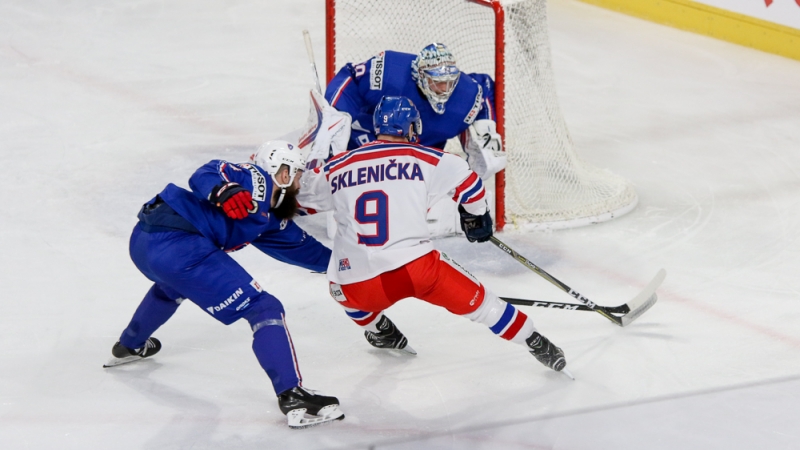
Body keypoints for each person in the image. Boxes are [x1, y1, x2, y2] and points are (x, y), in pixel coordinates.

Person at [298, 96, 567, 376]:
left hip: (354, 285)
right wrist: (476, 216)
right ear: (410, 128)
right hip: (416, 270)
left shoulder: (337, 166)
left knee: (346, 289)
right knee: (485, 305)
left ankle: (378, 330)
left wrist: (320, 156)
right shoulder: (425, 158)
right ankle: (537, 342)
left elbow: (297, 200)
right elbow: (470, 183)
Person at [103, 141, 344, 429]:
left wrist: (346, 267)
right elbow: (208, 171)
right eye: (297, 175)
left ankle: (129, 345)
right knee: (263, 307)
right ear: (282, 173)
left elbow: (306, 251)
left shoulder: (267, 216)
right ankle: (292, 396)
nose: (299, 184)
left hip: (143, 242)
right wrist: (223, 189)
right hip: (178, 245)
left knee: (173, 286)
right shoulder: (256, 180)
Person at [309, 43, 504, 181]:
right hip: (365, 138)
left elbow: (485, 86)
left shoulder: (467, 95)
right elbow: (351, 75)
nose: (445, 89)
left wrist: (485, 126)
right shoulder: (388, 72)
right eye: (437, 82)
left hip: (417, 154)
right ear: (419, 76)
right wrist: (334, 114)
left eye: (449, 82)